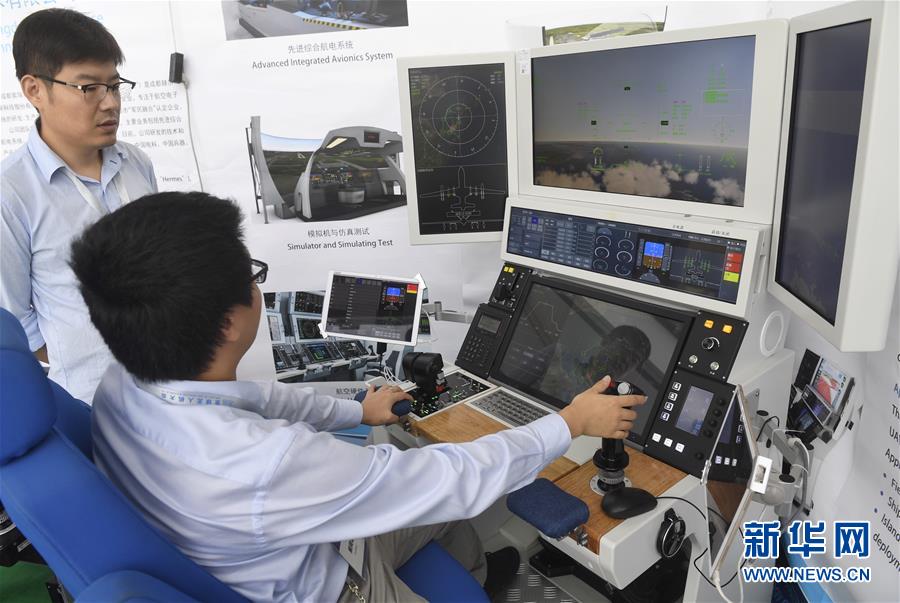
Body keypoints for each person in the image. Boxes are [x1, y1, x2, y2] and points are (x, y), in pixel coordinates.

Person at [70, 191, 646, 602]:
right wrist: (569, 423)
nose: (257, 285)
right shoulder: (262, 463)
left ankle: (476, 572)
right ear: (228, 323)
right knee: (438, 488)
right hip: (336, 586)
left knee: (442, 512)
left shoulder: (123, 382)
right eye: (252, 275)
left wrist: (358, 410)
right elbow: (449, 480)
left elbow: (261, 401)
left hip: (265, 541)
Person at [1, 8, 157, 402]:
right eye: (90, 88)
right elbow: (13, 319)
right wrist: (80, 362)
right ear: (34, 90)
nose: (110, 104)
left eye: (115, 86)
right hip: (94, 405)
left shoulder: (136, 163)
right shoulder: (11, 191)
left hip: (172, 385)